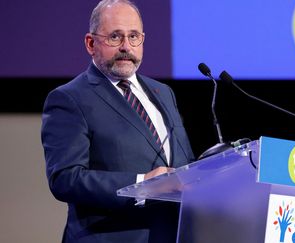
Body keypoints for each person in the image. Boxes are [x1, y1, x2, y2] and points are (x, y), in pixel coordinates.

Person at [40, 0, 195, 242]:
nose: (126, 46)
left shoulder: (162, 92)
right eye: (115, 37)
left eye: (133, 37)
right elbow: (65, 179)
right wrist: (142, 183)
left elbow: (182, 161)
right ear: (91, 43)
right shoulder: (69, 98)